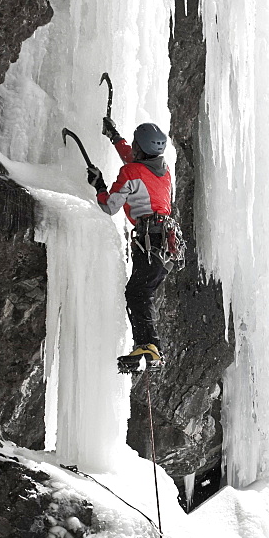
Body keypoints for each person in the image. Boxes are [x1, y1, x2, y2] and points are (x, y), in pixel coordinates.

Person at [87, 119, 172, 372]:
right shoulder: (164, 170)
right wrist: (115, 137)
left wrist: (99, 185)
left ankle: (148, 346)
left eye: (134, 143)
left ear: (141, 149)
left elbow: (109, 206)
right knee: (141, 293)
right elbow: (133, 160)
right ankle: (149, 346)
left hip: (149, 241)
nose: (132, 146)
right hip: (166, 245)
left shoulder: (131, 174)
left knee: (137, 293)